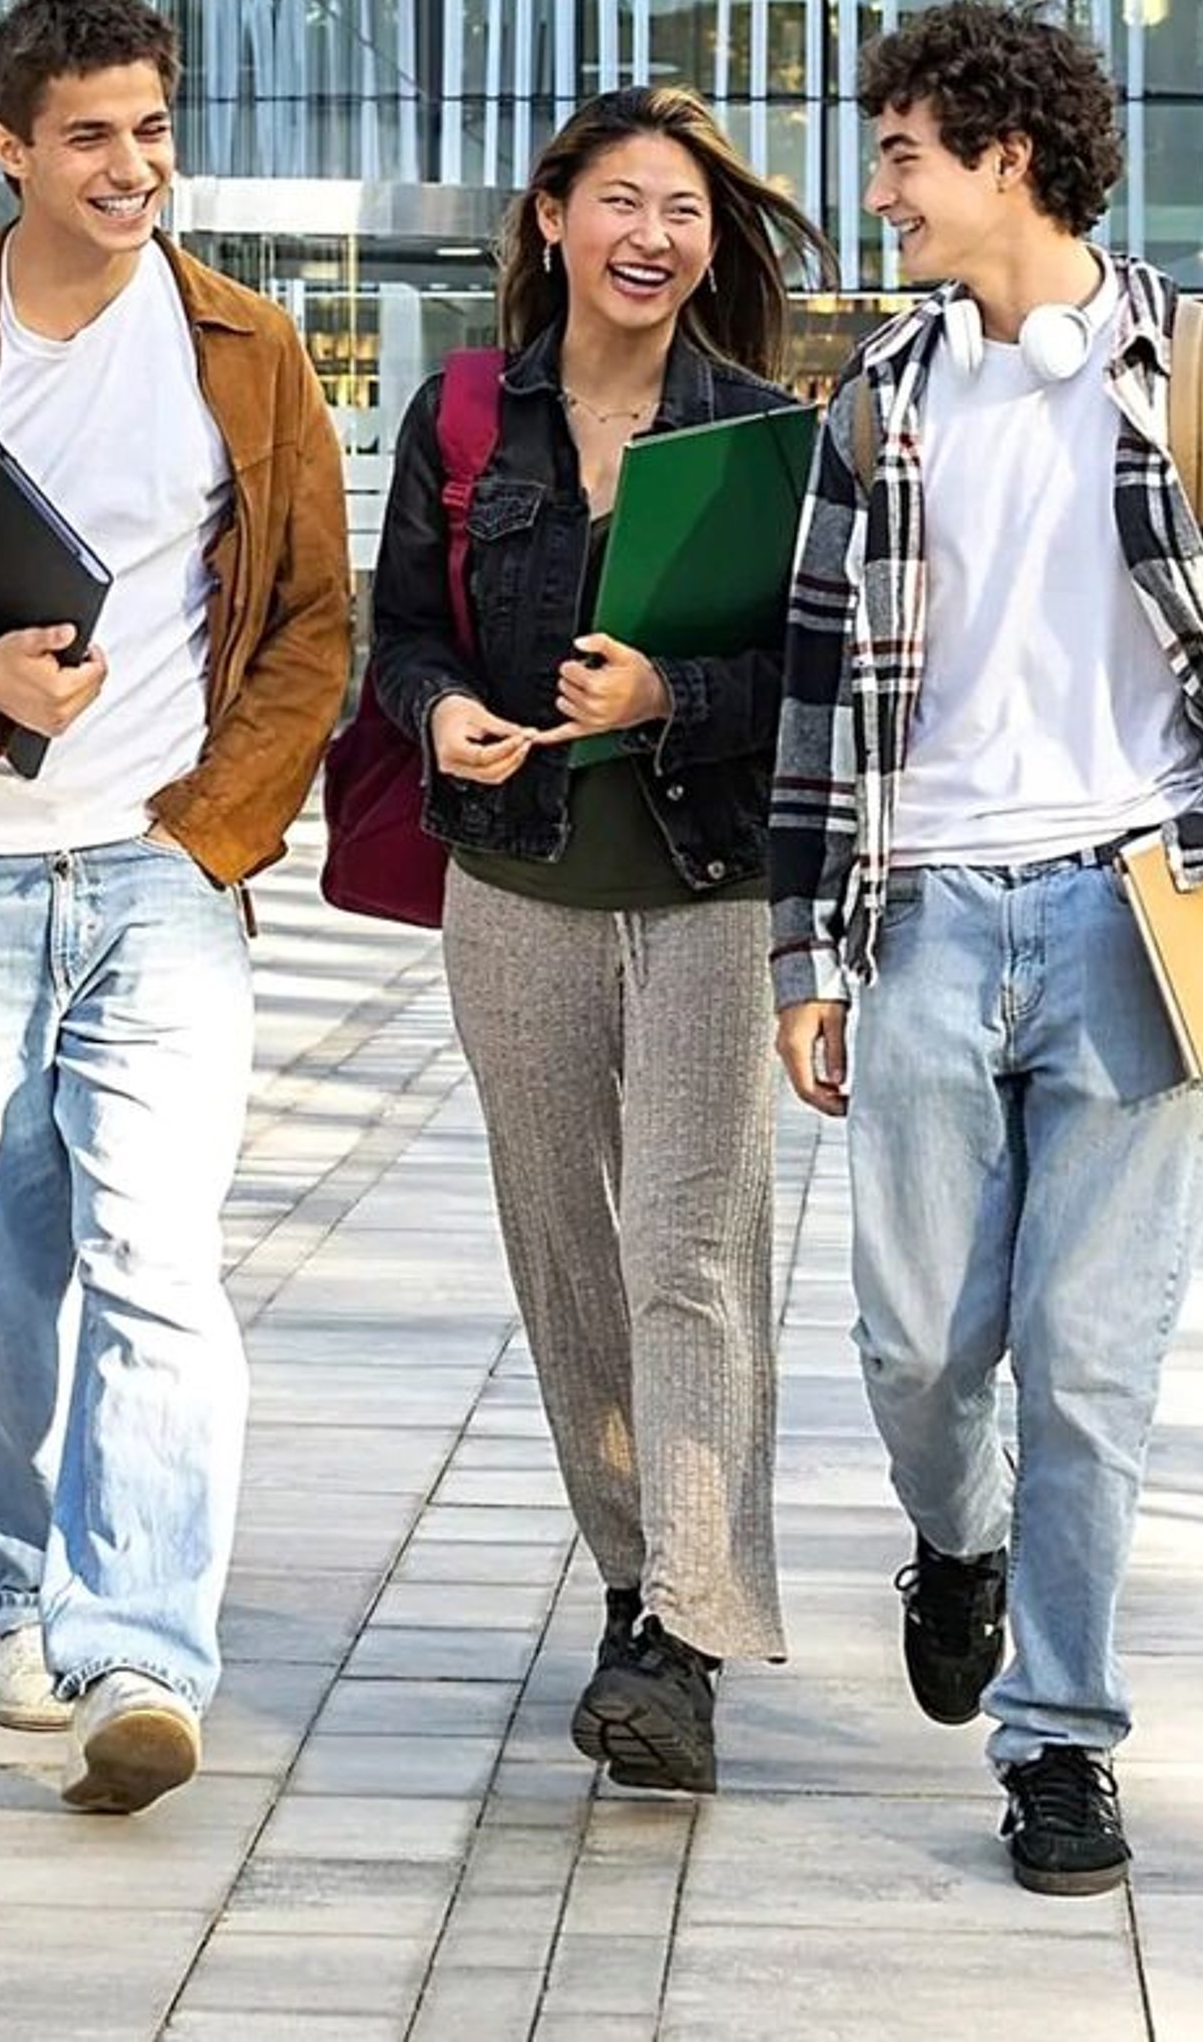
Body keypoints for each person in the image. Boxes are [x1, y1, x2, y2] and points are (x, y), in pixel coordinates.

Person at [0, 0, 349, 1815]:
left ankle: (143, 1646)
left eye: (154, 130)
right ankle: (27, 1586)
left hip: (158, 881)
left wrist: (212, 834)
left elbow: (308, 628)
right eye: (91, 135)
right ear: (8, 145)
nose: (133, 167)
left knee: (157, 1264)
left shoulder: (248, 351)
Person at [771, 0, 1203, 1898]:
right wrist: (804, 956)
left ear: (1005, 159)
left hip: (1142, 919)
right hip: (921, 916)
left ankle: (1061, 1738)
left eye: (903, 154)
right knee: (920, 1344)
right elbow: (819, 700)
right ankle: (959, 1542)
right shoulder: (879, 403)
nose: (880, 189)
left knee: (1093, 1363)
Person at [370, 86, 832, 1794]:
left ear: (713, 249)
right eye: (623, 201)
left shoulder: (768, 435)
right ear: (554, 215)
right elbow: (404, 636)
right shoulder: (465, 414)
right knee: (568, 1256)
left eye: (688, 212)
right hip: (517, 890)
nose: (655, 236)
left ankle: (686, 1640)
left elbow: (813, 683)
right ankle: (636, 1584)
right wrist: (441, 722)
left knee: (691, 1256)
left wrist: (670, 696)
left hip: (712, 898)